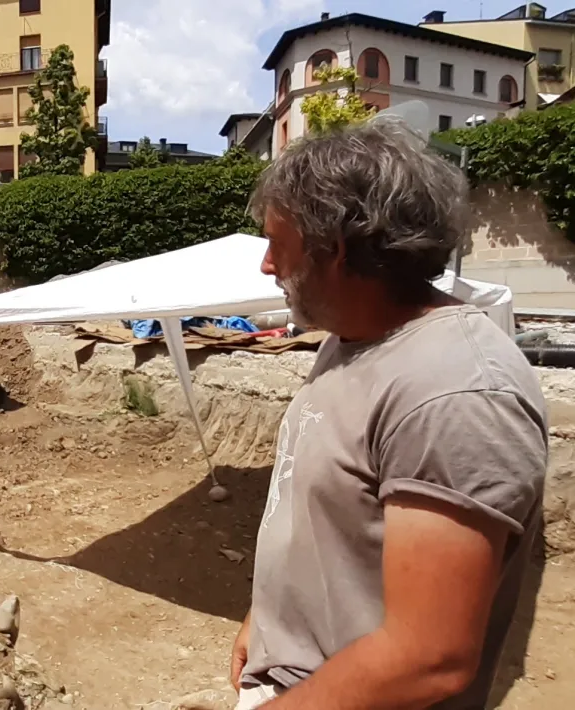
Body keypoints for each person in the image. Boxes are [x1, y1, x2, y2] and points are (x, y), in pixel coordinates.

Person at [230, 120, 547, 710]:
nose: (267, 266)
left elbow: (428, 658)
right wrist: (268, 621)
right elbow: (327, 513)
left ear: (335, 248)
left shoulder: (454, 393)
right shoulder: (349, 338)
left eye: (278, 243)